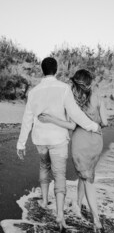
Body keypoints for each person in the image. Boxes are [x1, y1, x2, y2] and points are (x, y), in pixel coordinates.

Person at [16, 58, 100, 231]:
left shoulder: (33, 92)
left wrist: (21, 144)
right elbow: (75, 113)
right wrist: (92, 125)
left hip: (40, 139)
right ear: (56, 70)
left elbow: (27, 119)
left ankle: (45, 201)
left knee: (44, 166)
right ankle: (60, 215)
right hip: (58, 139)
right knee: (59, 174)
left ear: (42, 70)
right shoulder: (64, 89)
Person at [38, 69, 107, 229]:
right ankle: (78, 204)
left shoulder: (72, 99)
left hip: (80, 143)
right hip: (97, 141)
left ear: (75, 83)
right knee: (87, 174)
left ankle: (96, 220)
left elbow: (71, 125)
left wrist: (50, 119)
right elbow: (105, 121)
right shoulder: (97, 96)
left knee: (87, 178)